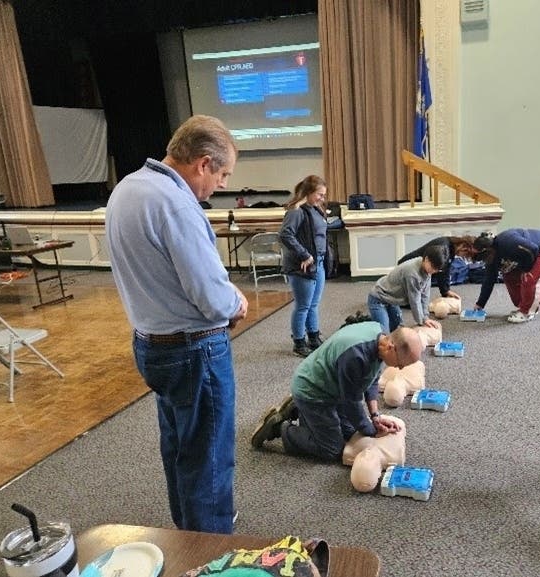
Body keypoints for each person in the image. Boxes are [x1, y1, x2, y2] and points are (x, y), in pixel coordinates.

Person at [105, 115, 249, 534]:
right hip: (193, 350)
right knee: (209, 457)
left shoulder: (127, 188)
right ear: (203, 163)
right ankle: (209, 545)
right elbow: (211, 297)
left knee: (179, 446)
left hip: (151, 344)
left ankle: (188, 531)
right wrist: (236, 302)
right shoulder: (178, 205)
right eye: (222, 174)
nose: (222, 184)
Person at [250, 322, 424, 461]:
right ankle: (280, 428)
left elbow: (371, 380)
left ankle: (300, 410)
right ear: (391, 347)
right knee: (332, 449)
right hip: (313, 392)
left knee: (350, 432)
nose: (400, 368)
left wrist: (375, 416)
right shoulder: (356, 356)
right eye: (402, 363)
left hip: (331, 387)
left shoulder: (380, 335)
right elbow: (352, 403)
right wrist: (372, 430)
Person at [279, 175, 328, 358]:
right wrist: (305, 254)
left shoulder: (314, 209)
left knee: (313, 304)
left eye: (323, 195)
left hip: (318, 263)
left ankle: (313, 337)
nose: (322, 198)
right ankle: (299, 342)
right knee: (303, 306)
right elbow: (285, 235)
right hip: (303, 265)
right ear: (308, 192)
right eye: (319, 194)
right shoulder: (296, 211)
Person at [473, 229, 540, 323]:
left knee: (530, 279)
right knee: (509, 276)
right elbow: (489, 280)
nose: (484, 260)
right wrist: (480, 304)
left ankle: (526, 313)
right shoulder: (491, 259)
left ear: (489, 249)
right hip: (528, 254)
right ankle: (528, 306)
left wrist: (527, 270)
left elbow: (533, 249)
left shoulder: (507, 241)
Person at [367, 244, 446, 333]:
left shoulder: (428, 270)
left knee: (397, 327)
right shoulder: (413, 272)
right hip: (379, 298)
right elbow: (415, 300)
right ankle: (369, 323)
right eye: (433, 267)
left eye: (437, 270)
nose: (433, 271)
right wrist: (422, 321)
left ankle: (376, 319)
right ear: (427, 259)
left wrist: (426, 317)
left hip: (392, 300)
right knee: (384, 335)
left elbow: (425, 296)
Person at [397, 235, 478, 299]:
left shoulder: (450, 247)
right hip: (407, 268)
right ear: (464, 247)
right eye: (466, 255)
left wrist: (446, 291)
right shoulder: (444, 247)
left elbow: (445, 270)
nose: (463, 257)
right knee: (415, 302)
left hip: (416, 270)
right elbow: (441, 271)